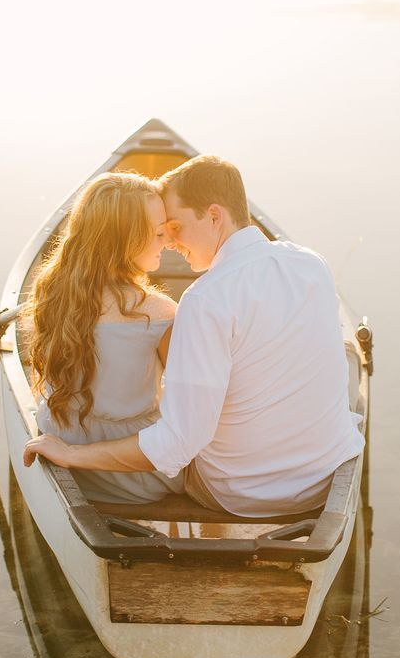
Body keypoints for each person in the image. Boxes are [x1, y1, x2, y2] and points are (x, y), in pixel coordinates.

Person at [24, 155, 364, 518]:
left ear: (214, 216)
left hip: (236, 492)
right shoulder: (312, 263)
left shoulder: (203, 299)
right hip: (317, 483)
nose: (170, 240)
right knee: (347, 354)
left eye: (176, 226)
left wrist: (73, 453)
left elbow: (179, 438)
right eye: (162, 230)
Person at [23, 170, 183, 504]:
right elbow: (187, 396)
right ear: (126, 243)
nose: (166, 242)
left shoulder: (52, 293)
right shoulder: (161, 312)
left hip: (64, 448)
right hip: (135, 474)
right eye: (157, 233)